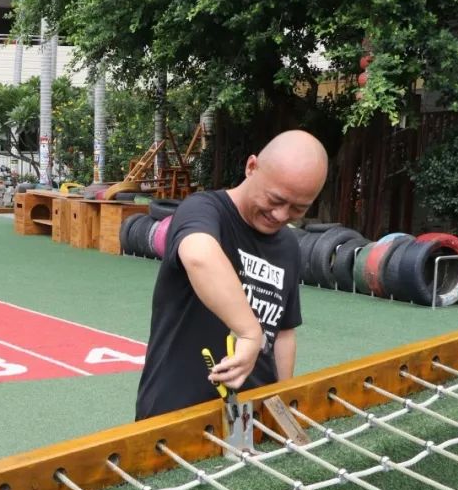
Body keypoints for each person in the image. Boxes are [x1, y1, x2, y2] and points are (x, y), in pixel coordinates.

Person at [135, 130, 328, 420]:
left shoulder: (288, 244)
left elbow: (283, 331)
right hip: (175, 414)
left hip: (249, 419)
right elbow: (199, 256)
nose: (280, 215)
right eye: (275, 199)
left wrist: (283, 402)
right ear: (251, 167)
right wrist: (250, 334)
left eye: (298, 208)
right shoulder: (203, 210)